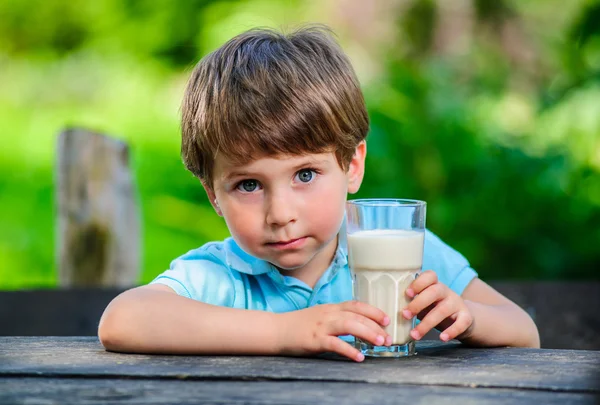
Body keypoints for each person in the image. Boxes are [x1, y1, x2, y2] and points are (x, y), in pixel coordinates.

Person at [98, 25, 540, 362]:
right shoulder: (222, 276)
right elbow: (122, 320)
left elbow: (525, 331)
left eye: (305, 175)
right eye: (249, 185)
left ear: (352, 166)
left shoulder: (405, 254)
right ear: (214, 195)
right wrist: (285, 332)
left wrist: (468, 315)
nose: (281, 213)